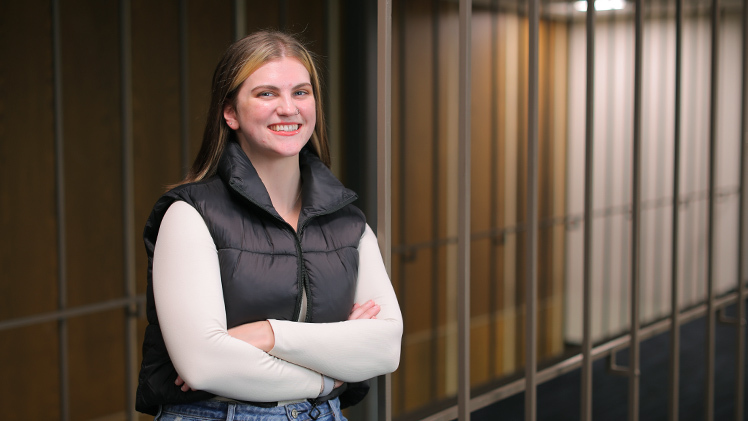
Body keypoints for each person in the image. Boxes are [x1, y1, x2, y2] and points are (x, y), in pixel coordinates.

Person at [135, 30, 403, 421]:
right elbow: (204, 366)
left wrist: (267, 335)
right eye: (266, 94)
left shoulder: (347, 221)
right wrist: (328, 376)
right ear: (230, 113)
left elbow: (385, 348)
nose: (288, 108)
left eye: (300, 92)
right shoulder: (191, 215)